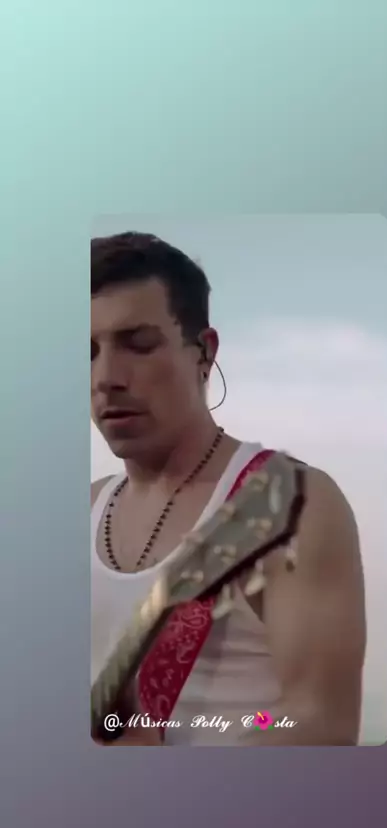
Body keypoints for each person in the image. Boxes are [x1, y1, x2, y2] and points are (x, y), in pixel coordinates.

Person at [90, 231, 366, 746]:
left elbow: (318, 719)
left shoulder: (292, 501)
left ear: (204, 351)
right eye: (86, 352)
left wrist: (202, 743)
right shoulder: (84, 506)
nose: (106, 376)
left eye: (138, 344)